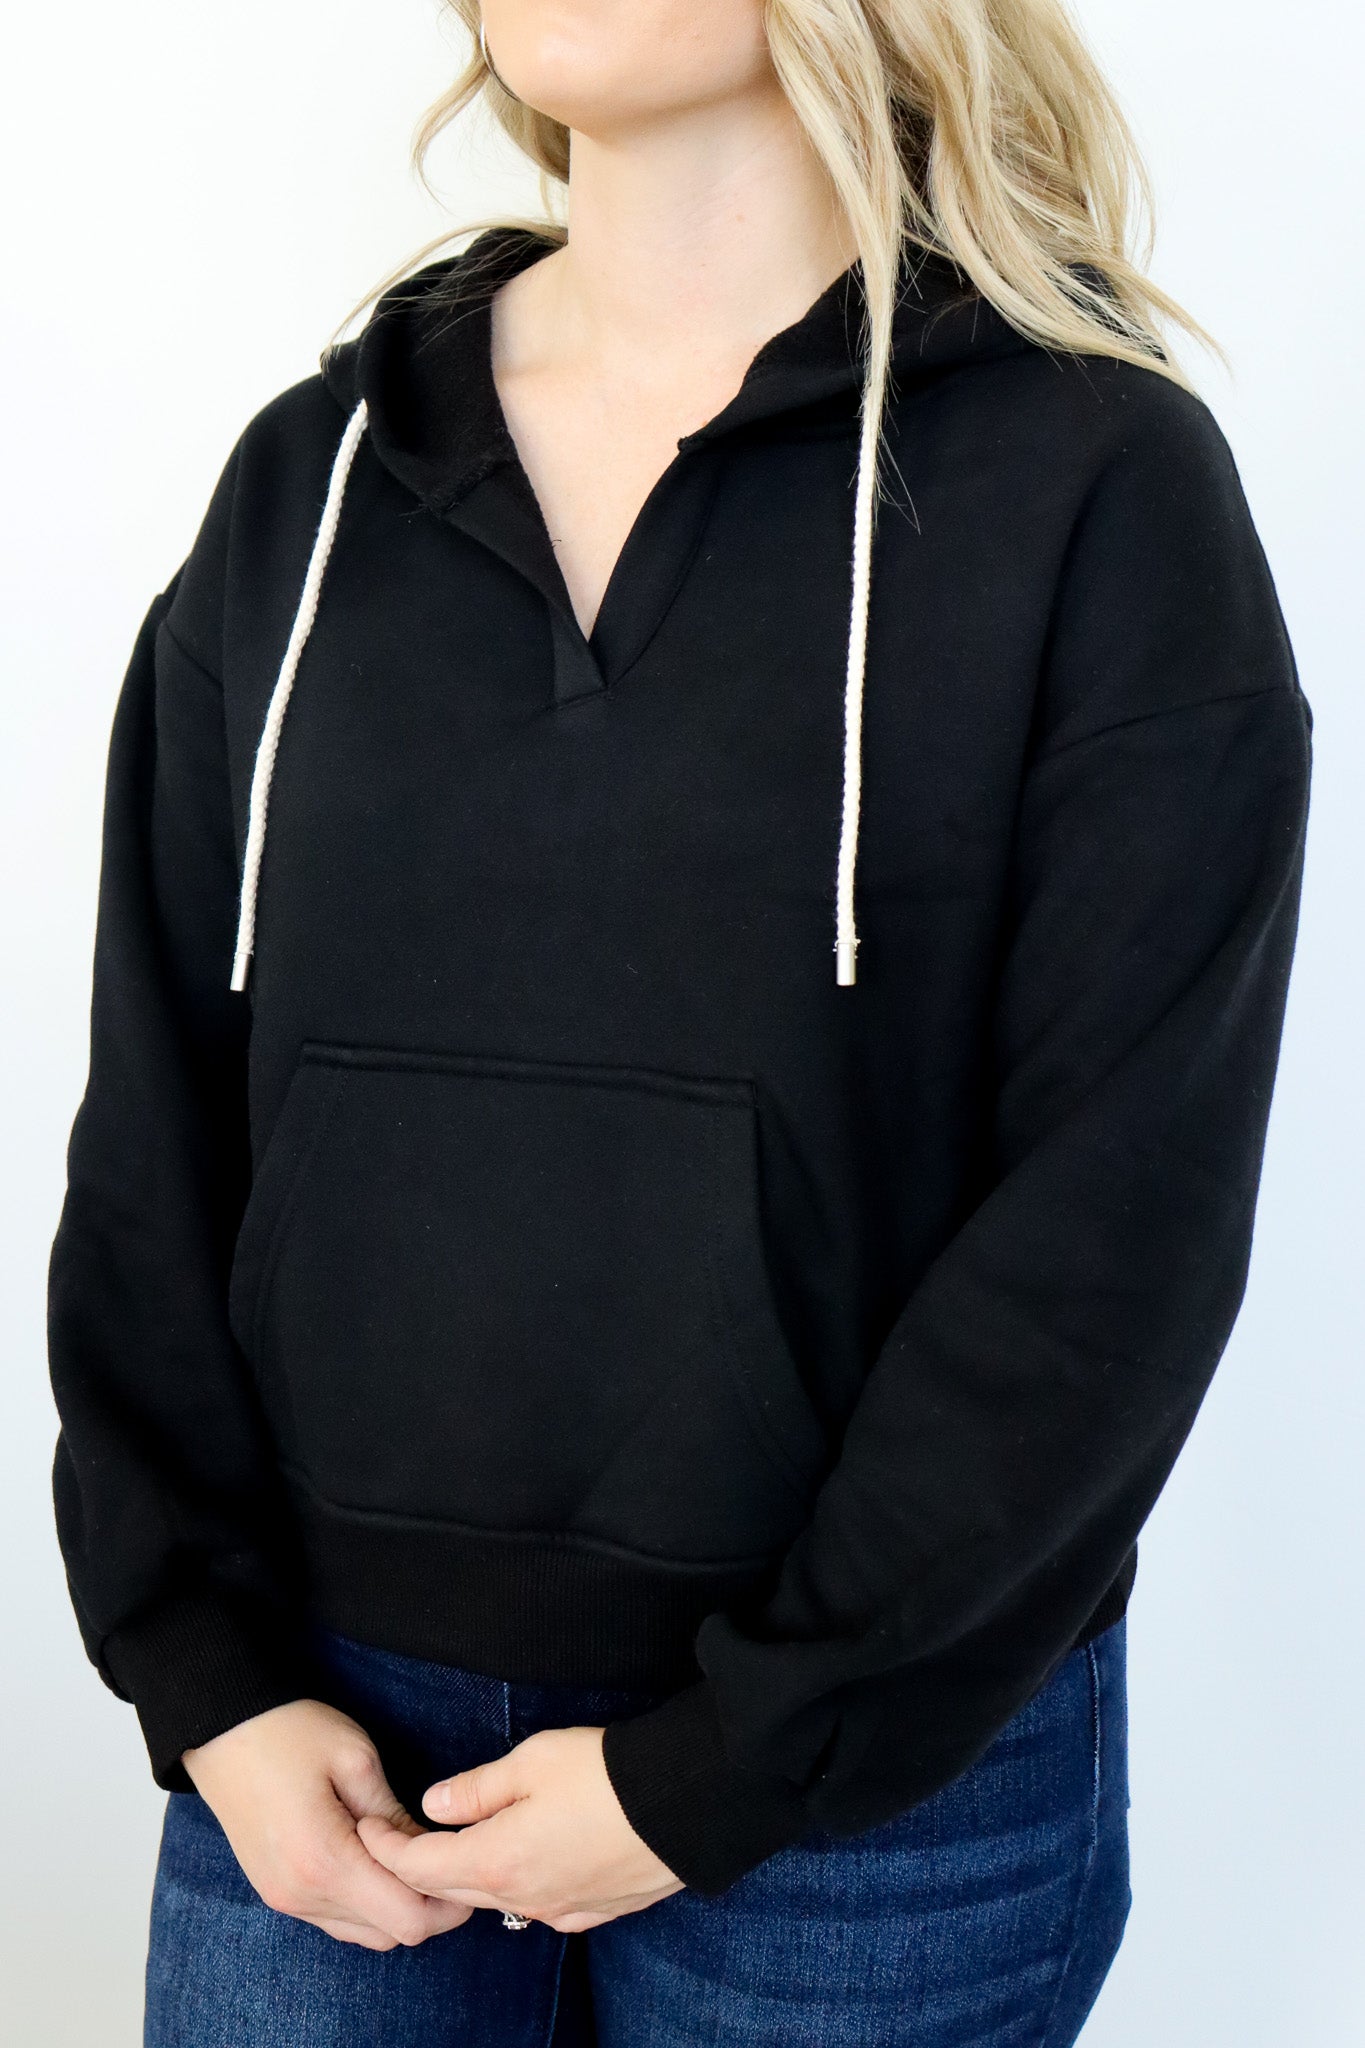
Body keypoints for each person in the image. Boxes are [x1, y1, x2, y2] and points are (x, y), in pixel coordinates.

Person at [46, 3, 1312, 2043]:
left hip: (873, 1793)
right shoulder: (312, 475)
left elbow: (1119, 1209)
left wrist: (745, 1747)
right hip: (322, 1746)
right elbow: (155, 1117)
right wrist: (201, 1669)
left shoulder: (1096, 480)